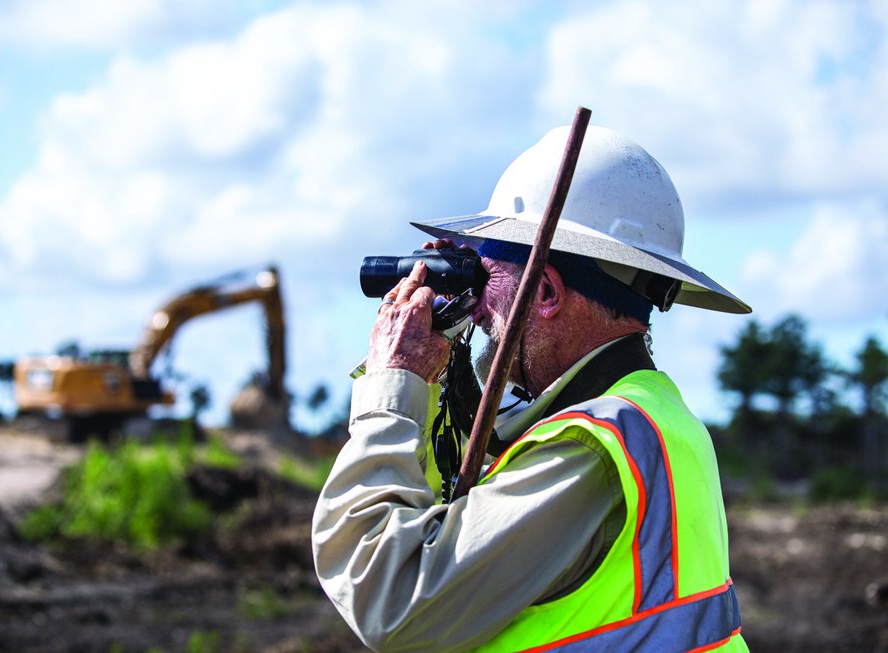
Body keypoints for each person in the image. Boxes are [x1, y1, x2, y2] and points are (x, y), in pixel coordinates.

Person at [312, 125, 751, 652]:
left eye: (487, 276)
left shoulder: (591, 447)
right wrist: (433, 374)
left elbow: (388, 597)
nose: (480, 307)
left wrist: (391, 385)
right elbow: (447, 507)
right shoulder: (650, 419)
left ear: (544, 291)